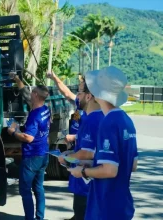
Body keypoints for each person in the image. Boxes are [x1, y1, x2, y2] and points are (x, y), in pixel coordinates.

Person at [68, 66, 138, 220]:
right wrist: (91, 164)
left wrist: (83, 172)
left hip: (105, 206)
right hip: (122, 204)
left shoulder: (108, 123)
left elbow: (109, 170)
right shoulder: (126, 120)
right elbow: (132, 165)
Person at [58, 79, 104, 220]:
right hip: (93, 185)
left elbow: (87, 153)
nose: (77, 97)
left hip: (86, 186)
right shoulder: (101, 117)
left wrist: (66, 157)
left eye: (79, 92)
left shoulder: (91, 120)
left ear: (89, 96)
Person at [8, 73, 51, 220]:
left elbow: (29, 138)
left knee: (25, 190)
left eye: (32, 92)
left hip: (32, 157)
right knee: (38, 188)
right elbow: (24, 93)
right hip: (44, 154)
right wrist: (17, 79)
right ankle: (40, 217)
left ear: (36, 95)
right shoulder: (45, 109)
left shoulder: (34, 115)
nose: (30, 93)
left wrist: (13, 132)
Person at [47, 71, 87, 151]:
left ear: (89, 95)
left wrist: (74, 137)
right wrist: (54, 78)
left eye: (80, 92)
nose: (77, 94)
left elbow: (92, 136)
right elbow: (67, 93)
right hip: (73, 147)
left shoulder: (94, 114)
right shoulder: (79, 103)